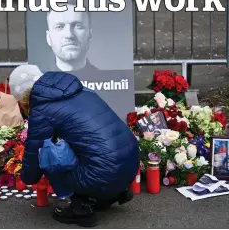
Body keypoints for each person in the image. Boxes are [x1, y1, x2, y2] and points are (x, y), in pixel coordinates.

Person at [9, 64, 139, 227]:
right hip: (131, 163)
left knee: (50, 156)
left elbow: (35, 155)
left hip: (104, 176)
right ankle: (114, 193)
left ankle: (79, 209)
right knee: (83, 148)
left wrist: (26, 177)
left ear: (22, 97)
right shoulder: (81, 89)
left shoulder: (41, 109)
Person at [45, 0, 100, 74]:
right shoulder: (35, 84)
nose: (69, 35)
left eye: (78, 26)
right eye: (59, 27)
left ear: (90, 34)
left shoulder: (111, 81)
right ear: (48, 37)